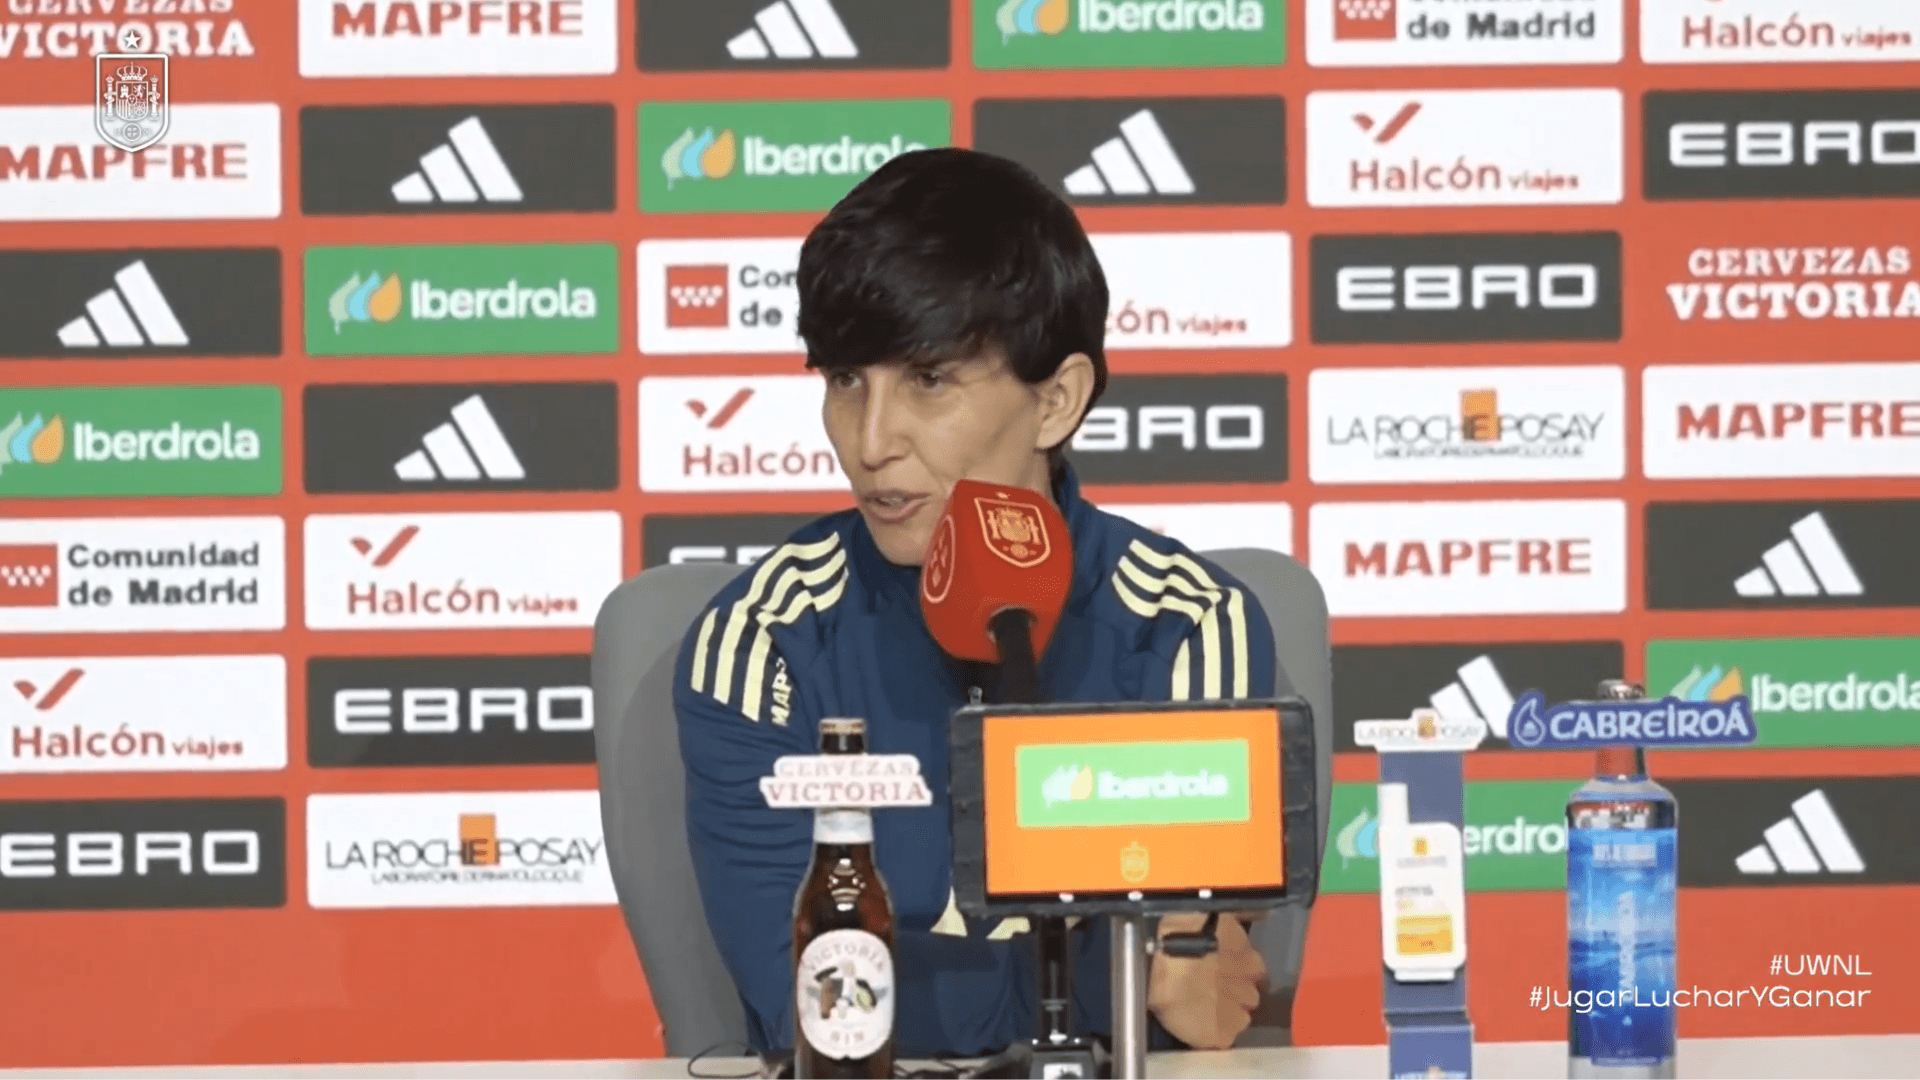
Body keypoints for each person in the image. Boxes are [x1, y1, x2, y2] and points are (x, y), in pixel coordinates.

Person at [672, 147, 1287, 1062]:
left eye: (926, 379)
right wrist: (1097, 981)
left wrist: (898, 976)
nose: (871, 440)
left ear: (1056, 401)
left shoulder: (1191, 629)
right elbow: (805, 998)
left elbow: (1192, 975)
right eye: (846, 381)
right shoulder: (757, 643)